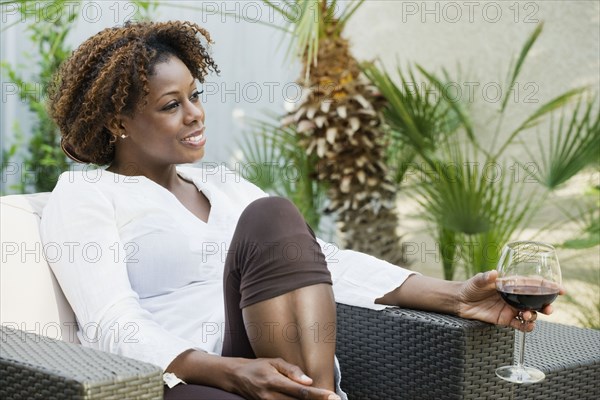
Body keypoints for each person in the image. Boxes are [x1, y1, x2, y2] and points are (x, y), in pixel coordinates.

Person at [39, 20, 556, 400]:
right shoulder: (86, 197)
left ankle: (317, 395)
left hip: (276, 367)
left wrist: (455, 296)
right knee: (271, 217)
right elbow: (112, 322)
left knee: (274, 217)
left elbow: (323, 261)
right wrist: (231, 372)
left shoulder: (224, 185)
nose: (196, 114)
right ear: (118, 122)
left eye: (195, 95)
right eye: (171, 104)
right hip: (182, 377)